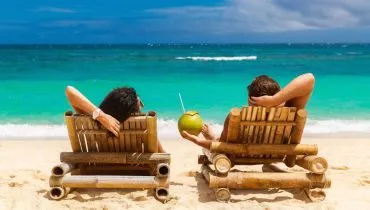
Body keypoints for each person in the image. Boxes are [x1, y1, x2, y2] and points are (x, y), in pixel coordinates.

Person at [181, 73, 315, 149]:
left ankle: (212, 136)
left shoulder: (236, 117)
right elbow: (310, 78)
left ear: (250, 100)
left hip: (241, 153)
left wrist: (197, 141)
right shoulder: (289, 112)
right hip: (279, 151)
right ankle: (212, 136)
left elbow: (222, 146)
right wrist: (276, 100)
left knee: (218, 139)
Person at [65, 86, 165, 152]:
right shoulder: (143, 126)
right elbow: (163, 157)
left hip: (99, 171)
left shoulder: (94, 122)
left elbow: (69, 91)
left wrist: (100, 115)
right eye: (140, 104)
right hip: (135, 174)